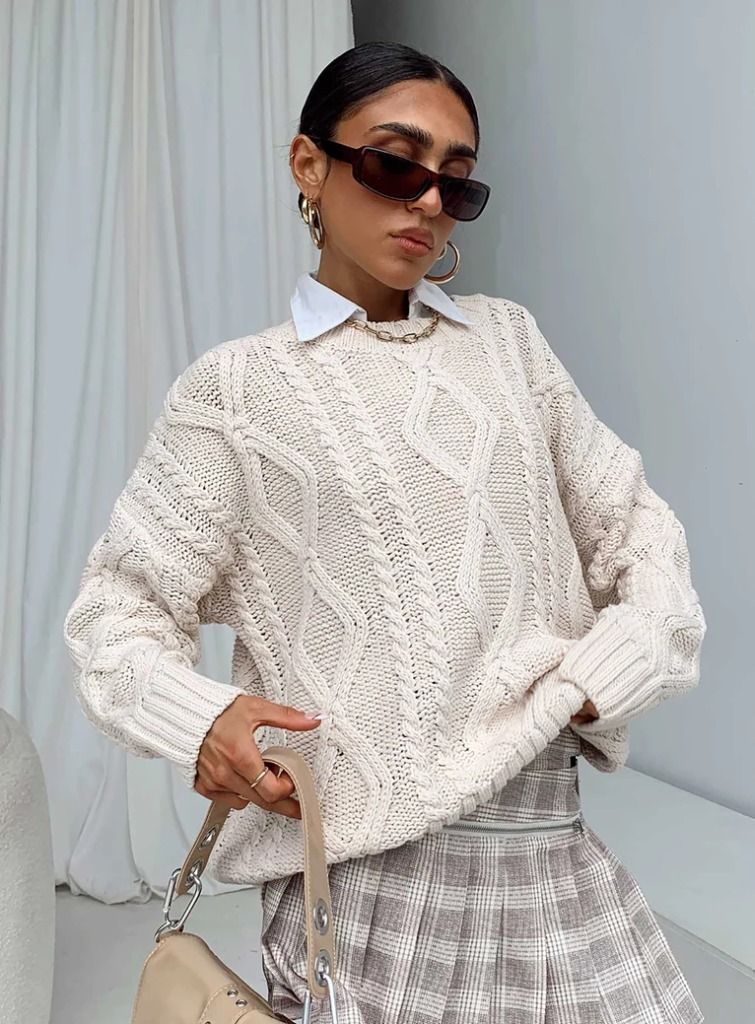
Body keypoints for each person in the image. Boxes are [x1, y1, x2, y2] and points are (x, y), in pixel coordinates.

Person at [63, 39, 707, 1024]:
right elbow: (116, 613)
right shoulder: (236, 391)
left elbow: (645, 539)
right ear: (309, 165)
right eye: (394, 163)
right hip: (375, 894)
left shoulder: (509, 344)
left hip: (551, 851)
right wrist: (204, 720)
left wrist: (588, 682)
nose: (427, 200)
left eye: (456, 181)